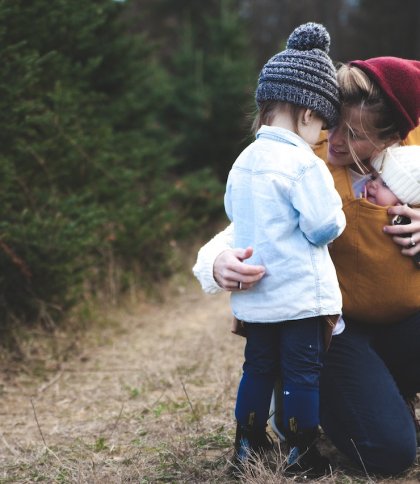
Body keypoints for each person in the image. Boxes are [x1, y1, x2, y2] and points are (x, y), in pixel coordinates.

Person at [193, 55, 420, 476]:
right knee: (391, 454)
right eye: (332, 123)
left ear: (393, 136)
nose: (334, 139)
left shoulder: (414, 151)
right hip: (333, 331)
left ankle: (389, 392)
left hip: (406, 325)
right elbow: (250, 222)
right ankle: (321, 394)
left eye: (354, 135)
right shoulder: (303, 155)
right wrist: (215, 261)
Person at [223, 22, 345, 477]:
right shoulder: (302, 163)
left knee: (256, 368)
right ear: (308, 114)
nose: (321, 136)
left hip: (257, 299)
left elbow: (234, 212)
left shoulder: (244, 160)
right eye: (323, 125)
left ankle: (246, 443)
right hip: (298, 297)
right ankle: (301, 450)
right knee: (300, 374)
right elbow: (322, 227)